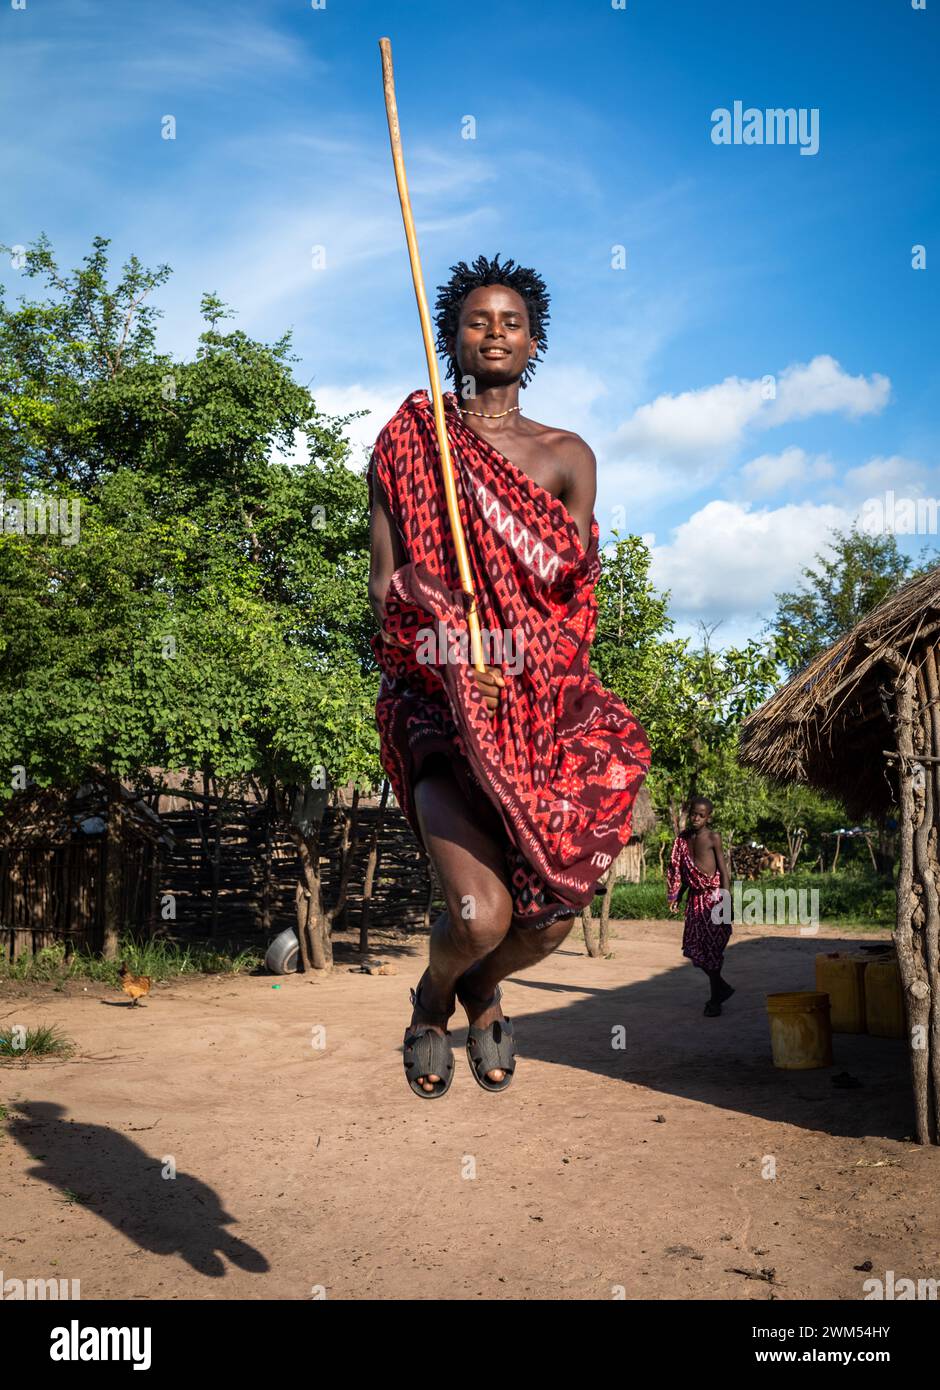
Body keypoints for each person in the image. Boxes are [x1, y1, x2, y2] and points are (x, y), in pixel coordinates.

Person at [367, 253, 651, 1097]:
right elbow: (387, 592)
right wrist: (454, 654)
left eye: (512, 321)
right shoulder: (413, 444)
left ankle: (483, 988)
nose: (495, 332)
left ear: (535, 342)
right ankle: (431, 1003)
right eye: (477, 320)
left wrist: (519, 671)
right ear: (449, 337)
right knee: (479, 915)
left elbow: (573, 606)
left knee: (548, 920)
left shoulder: (568, 457)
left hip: (539, 720)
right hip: (441, 716)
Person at [666, 796, 734, 1016]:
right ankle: (720, 989)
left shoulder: (713, 837)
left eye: (701, 815)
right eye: (693, 813)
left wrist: (726, 902)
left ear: (708, 817)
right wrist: (678, 895)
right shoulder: (683, 840)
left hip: (714, 899)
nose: (695, 818)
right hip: (695, 901)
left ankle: (716, 999)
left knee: (713, 950)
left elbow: (724, 872)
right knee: (695, 949)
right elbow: (685, 874)